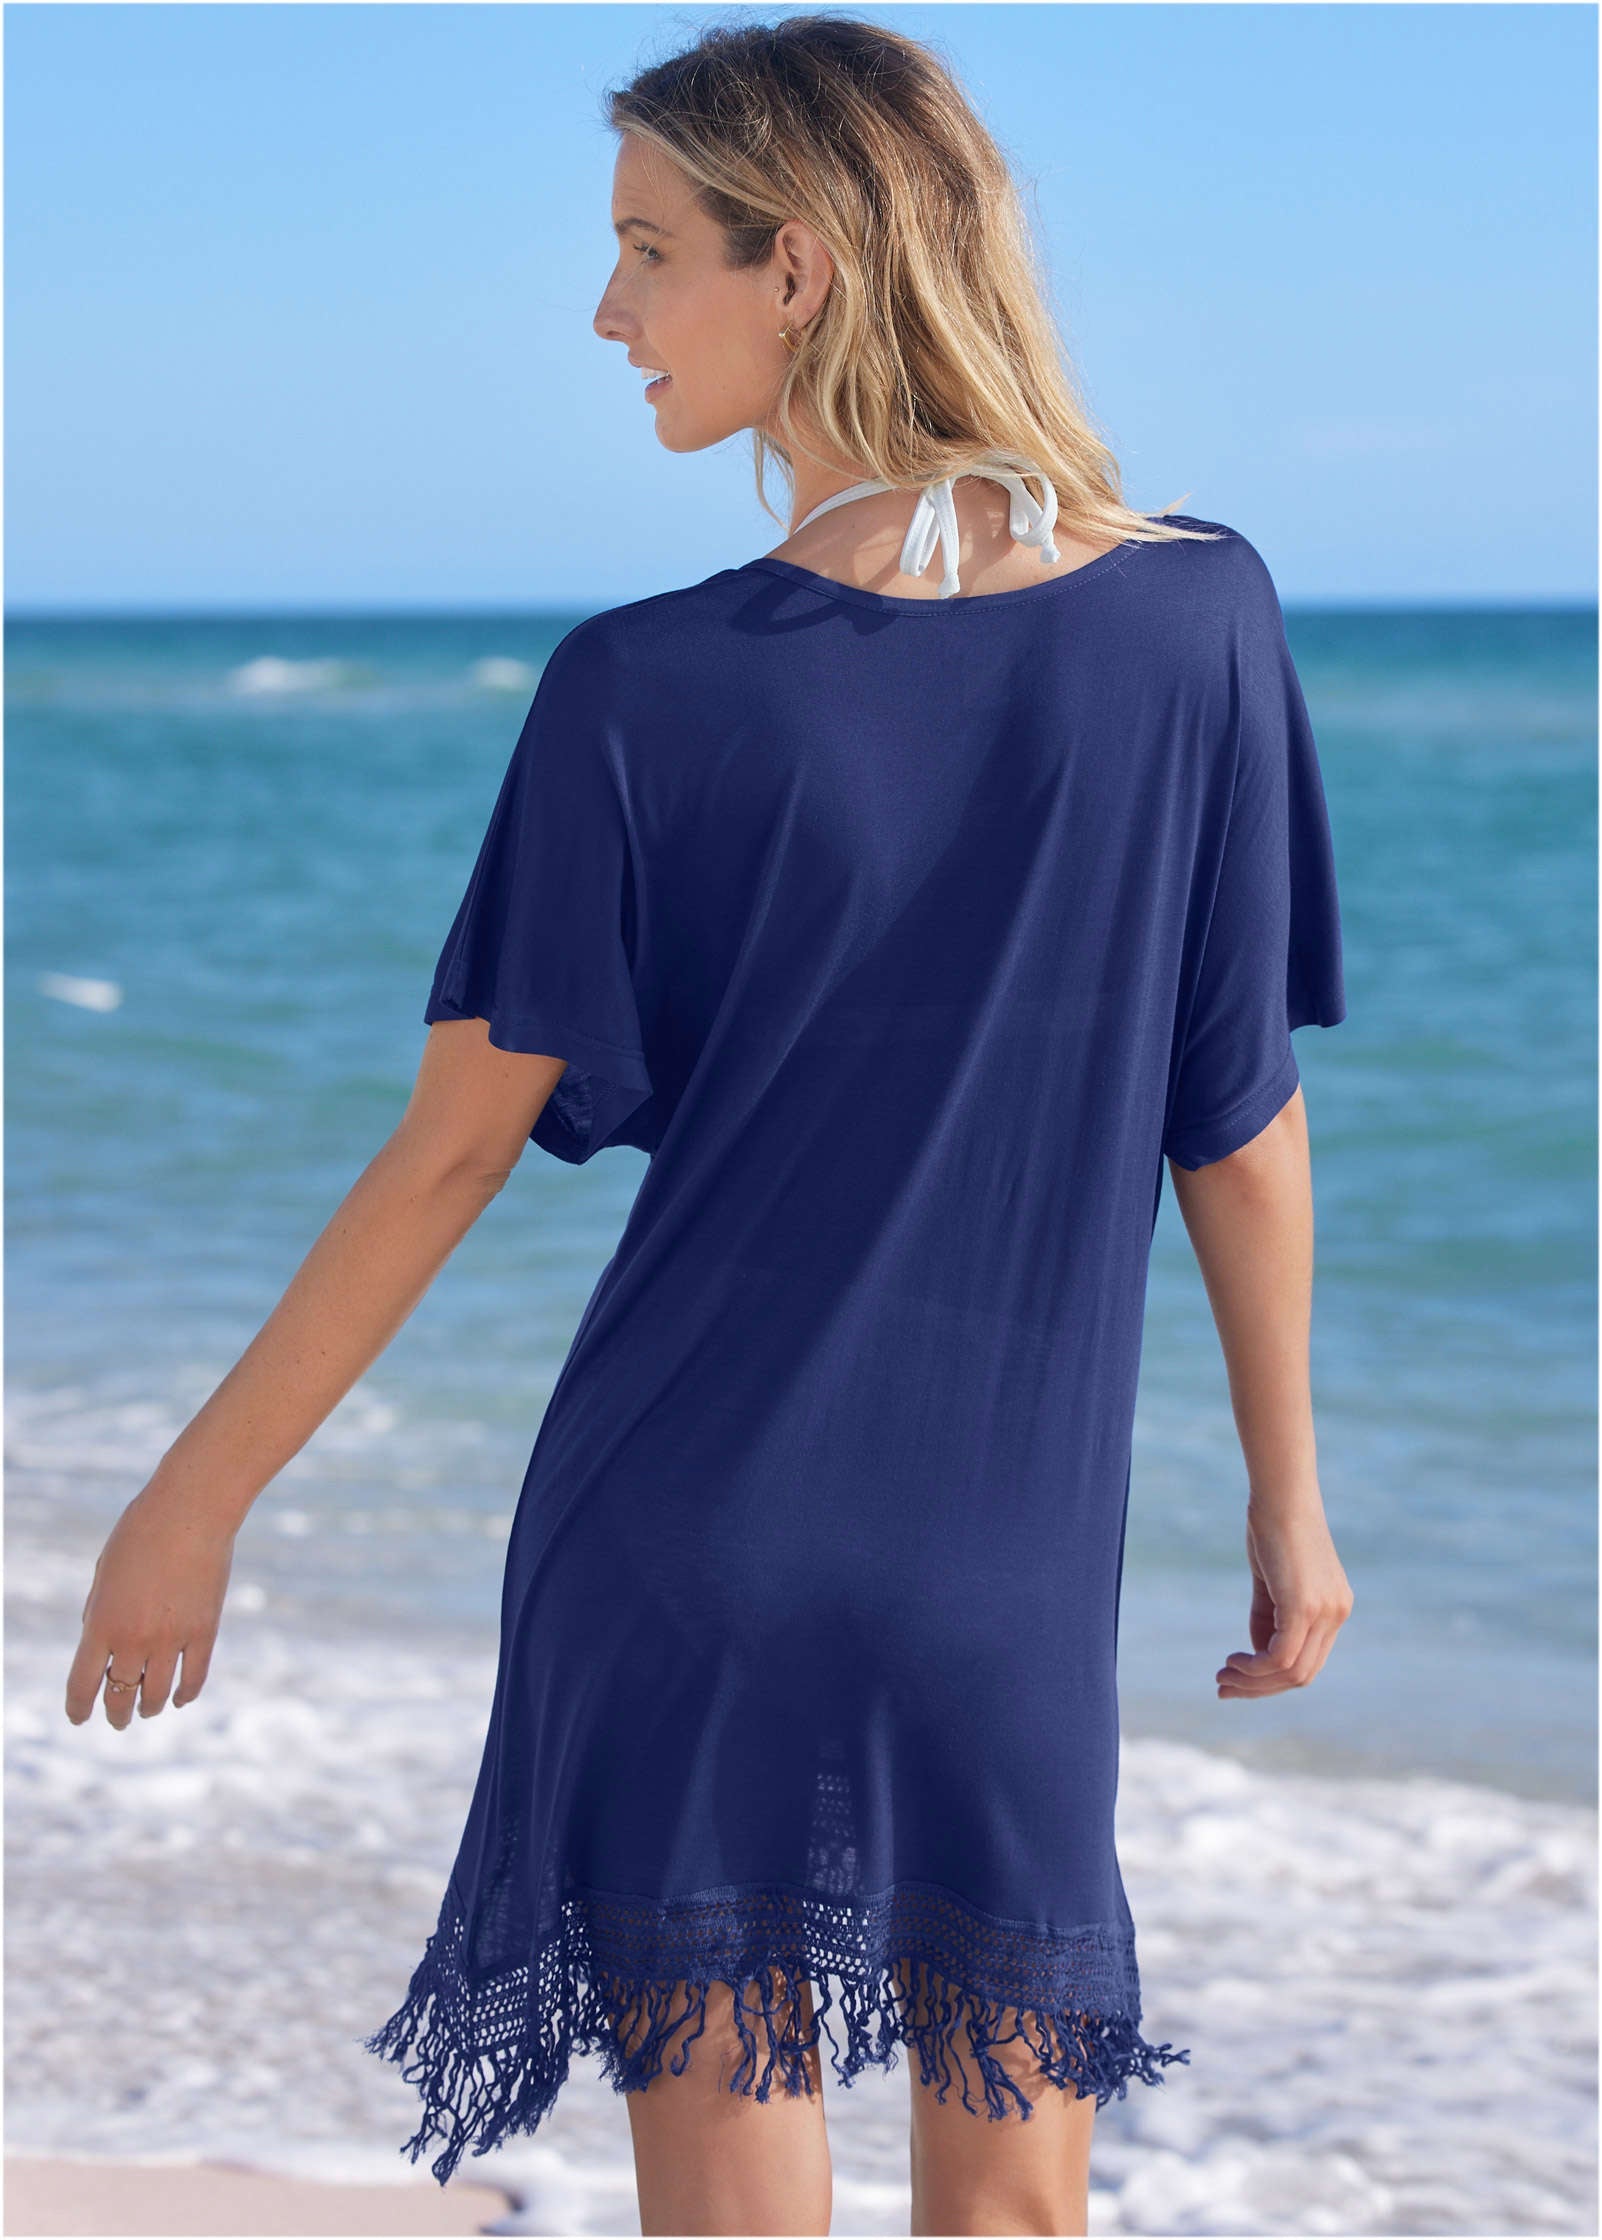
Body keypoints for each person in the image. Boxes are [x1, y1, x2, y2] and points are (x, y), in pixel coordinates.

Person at [64, 16, 1355, 2236]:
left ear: (805, 268)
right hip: (1004, 1566)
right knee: (1020, 2209)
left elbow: (449, 1153)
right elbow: (1231, 1120)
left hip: (681, 1533)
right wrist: (1289, 1498)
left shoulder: (643, 685)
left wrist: (197, 1495)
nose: (607, 312)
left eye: (650, 251)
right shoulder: (1197, 619)